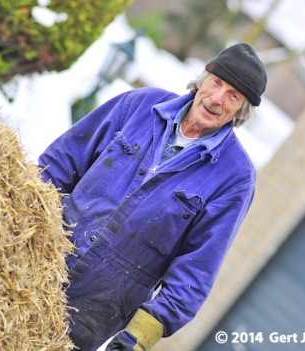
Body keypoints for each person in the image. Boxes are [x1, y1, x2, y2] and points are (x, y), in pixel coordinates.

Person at [38, 43, 267, 351]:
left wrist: (141, 336)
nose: (216, 99)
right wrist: (22, 226)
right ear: (203, 78)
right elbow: (60, 164)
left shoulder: (234, 177)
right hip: (38, 263)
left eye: (233, 96)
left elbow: (196, 271)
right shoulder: (140, 105)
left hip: (93, 312)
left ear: (241, 111)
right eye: (216, 83)